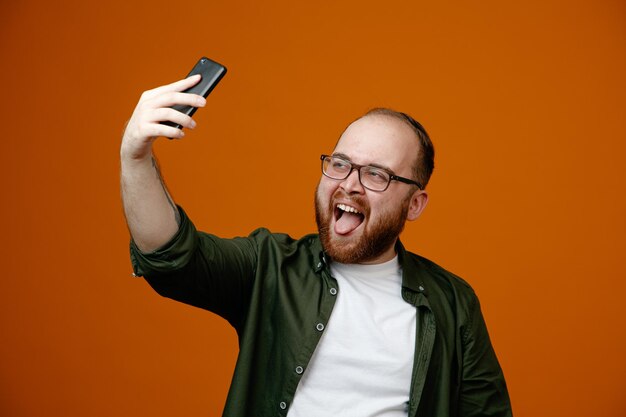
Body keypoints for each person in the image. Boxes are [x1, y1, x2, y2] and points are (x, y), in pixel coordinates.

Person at [121, 74, 513, 417]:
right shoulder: (271, 267)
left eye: (376, 174)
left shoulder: (453, 303)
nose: (349, 184)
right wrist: (136, 158)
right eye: (340, 164)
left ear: (414, 204)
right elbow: (172, 259)